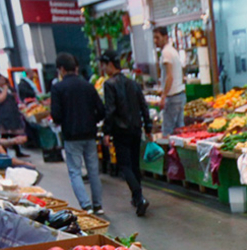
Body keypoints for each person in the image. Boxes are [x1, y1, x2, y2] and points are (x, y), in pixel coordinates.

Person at [51, 53, 107, 215]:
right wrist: (92, 120)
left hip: (71, 134)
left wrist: (65, 121)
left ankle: (86, 206)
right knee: (93, 170)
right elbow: (101, 110)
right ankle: (98, 205)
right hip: (90, 133)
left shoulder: (58, 88)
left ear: (61, 69)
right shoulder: (88, 86)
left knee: (75, 171)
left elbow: (56, 115)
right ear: (75, 68)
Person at [100, 52, 153, 217]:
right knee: (135, 164)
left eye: (104, 65)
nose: (103, 68)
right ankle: (136, 198)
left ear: (110, 64)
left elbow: (110, 110)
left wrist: (106, 132)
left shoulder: (109, 84)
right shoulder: (133, 83)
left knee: (125, 165)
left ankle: (139, 197)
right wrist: (148, 127)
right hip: (136, 129)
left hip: (120, 130)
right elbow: (143, 106)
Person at [0, 73, 28, 158]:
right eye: (1, 79)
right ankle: (4, 153)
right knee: (5, 134)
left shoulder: (8, 86)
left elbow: (15, 96)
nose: (3, 80)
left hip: (12, 113)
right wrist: (4, 89)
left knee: (14, 133)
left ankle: (18, 151)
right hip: (2, 115)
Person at [154, 26, 186, 136]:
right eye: (154, 38)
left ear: (166, 37)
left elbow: (169, 76)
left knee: (168, 131)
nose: (155, 41)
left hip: (172, 97)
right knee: (180, 130)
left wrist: (163, 96)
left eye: (157, 38)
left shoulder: (166, 53)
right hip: (180, 95)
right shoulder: (173, 51)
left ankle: (169, 153)